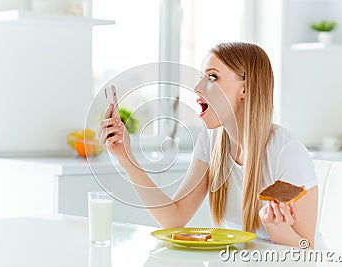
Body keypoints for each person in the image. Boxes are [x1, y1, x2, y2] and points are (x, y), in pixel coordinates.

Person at [98, 42, 318, 248]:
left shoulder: (286, 151)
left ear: (245, 89)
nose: (198, 87)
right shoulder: (210, 140)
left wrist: (275, 226)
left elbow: (307, 250)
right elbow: (174, 219)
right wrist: (127, 158)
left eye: (212, 77)